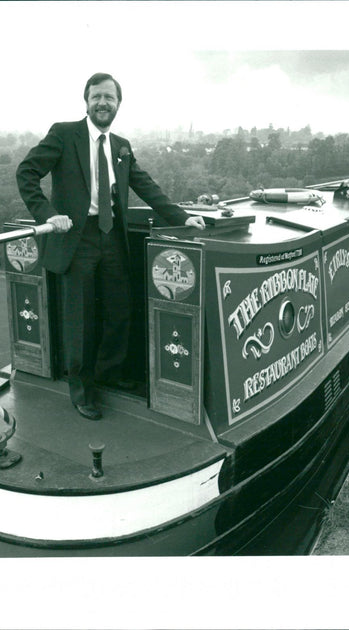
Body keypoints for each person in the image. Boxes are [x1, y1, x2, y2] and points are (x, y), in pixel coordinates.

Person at [16, 72, 205, 420]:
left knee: (120, 311)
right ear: (86, 101)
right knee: (80, 319)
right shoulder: (63, 134)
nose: (103, 103)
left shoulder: (121, 145)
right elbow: (26, 172)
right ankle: (82, 391)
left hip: (111, 238)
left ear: (119, 104)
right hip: (77, 237)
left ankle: (109, 375)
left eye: (110, 98)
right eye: (96, 97)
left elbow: (145, 185)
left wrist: (181, 217)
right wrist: (47, 215)